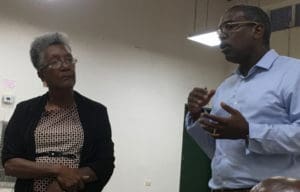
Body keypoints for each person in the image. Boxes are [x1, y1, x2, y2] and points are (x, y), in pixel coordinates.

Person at [186, 4, 300, 192]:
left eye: (229, 26)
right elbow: (219, 153)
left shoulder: (294, 73)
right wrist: (197, 115)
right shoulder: (226, 86)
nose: (222, 35)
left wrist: (249, 132)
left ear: (257, 30)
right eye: (220, 30)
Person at [1, 32, 115, 192]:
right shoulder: (24, 110)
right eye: (55, 62)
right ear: (42, 75)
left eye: (69, 59)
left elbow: (104, 163)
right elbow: (10, 164)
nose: (65, 66)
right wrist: (56, 169)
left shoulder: (96, 112)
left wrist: (65, 184)